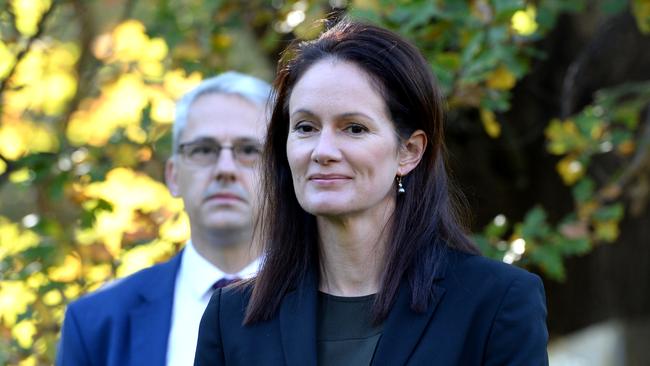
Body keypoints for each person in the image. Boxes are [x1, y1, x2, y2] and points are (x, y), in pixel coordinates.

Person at [194, 20, 548, 366]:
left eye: (354, 128)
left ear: (408, 152)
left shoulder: (495, 303)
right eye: (305, 127)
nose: (323, 150)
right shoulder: (232, 319)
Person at [57, 71, 273, 366]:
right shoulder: (97, 323)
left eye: (249, 150)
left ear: (281, 173)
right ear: (173, 176)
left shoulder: (334, 308)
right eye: (203, 150)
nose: (226, 168)